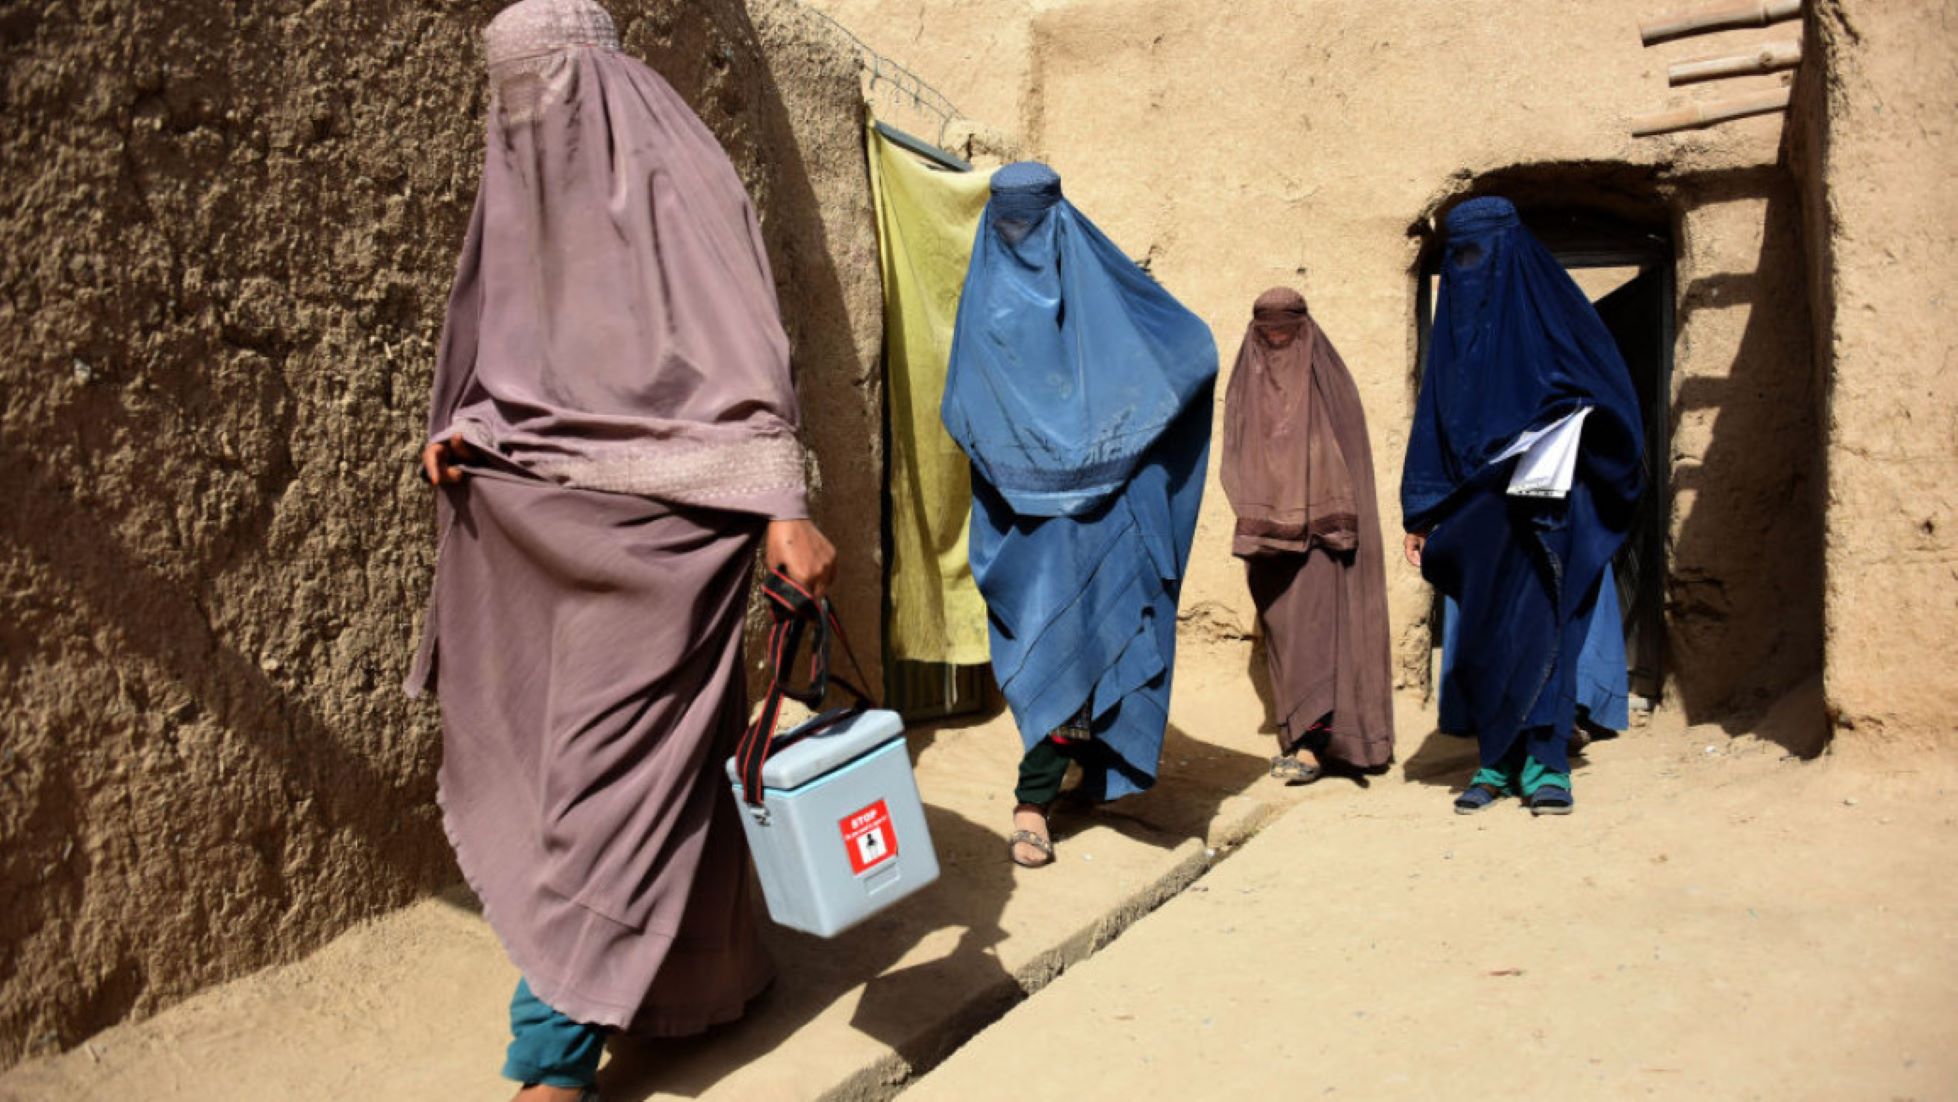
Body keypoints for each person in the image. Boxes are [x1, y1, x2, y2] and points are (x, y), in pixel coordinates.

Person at [405, 2, 836, 1098]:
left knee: (598, 789)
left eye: (536, 85)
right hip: (547, 534)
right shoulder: (527, 178)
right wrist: (465, 428)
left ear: (587, 78)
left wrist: (781, 501)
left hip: (672, 540)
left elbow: (743, 337)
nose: (524, 115)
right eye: (505, 91)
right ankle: (713, 983)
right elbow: (518, 348)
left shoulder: (670, 170)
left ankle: (550, 1060)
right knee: (660, 772)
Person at [941, 162, 1217, 868]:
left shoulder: (1098, 285)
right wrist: (1026, 460)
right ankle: (1033, 799)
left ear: (1058, 216)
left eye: (1029, 218)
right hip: (1025, 521)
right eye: (1007, 220)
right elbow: (964, 406)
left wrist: (1112, 447)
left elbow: (1185, 348)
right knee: (1047, 645)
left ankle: (1073, 783)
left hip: (1102, 507)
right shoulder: (987, 304)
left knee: (1106, 637)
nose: (1020, 236)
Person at [1400, 197, 1643, 817]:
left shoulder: (1555, 317)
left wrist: (1556, 424)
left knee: (1546, 632)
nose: (1469, 268)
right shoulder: (1455, 332)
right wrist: (1422, 512)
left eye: (1481, 253)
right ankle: (1495, 761)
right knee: (1483, 635)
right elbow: (1434, 421)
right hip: (1476, 513)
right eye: (1460, 256)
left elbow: (1607, 394)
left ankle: (1547, 762)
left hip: (1543, 509)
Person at [1220, 289, 1395, 782]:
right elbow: (1236, 456)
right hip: (1269, 546)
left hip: (1325, 542)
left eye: (1286, 332)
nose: (1276, 344)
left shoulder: (1331, 384)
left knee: (1322, 640)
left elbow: (1350, 464)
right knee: (1288, 639)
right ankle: (1299, 736)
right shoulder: (1245, 386)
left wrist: (1317, 506)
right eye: (1266, 333)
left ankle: (1321, 746)